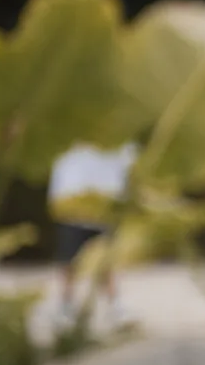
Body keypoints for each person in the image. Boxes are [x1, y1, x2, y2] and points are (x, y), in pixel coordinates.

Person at [47, 141, 139, 332]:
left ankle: (115, 306)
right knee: (69, 261)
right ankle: (65, 307)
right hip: (73, 206)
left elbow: (131, 166)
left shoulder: (119, 139)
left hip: (106, 207)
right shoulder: (72, 137)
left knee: (107, 261)